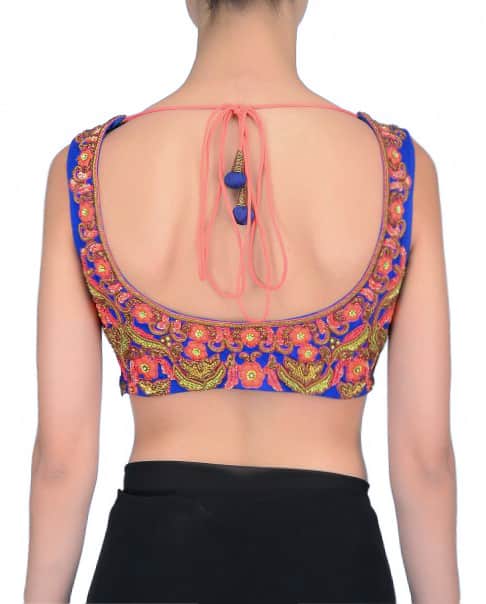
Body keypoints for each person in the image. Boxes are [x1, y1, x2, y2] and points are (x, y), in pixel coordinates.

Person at [24, 0, 459, 602]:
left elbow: (61, 459)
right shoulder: (399, 169)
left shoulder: (85, 169)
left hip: (151, 562)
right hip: (336, 563)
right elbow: (425, 460)